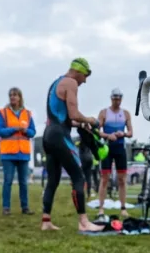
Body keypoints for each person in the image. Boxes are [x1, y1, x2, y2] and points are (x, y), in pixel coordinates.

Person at [41, 58, 104, 232]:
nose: (85, 81)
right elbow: (74, 114)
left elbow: (64, 117)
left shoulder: (56, 83)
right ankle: (83, 222)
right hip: (59, 136)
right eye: (85, 76)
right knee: (79, 177)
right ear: (78, 71)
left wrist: (81, 124)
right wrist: (90, 120)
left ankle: (46, 221)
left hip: (48, 135)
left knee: (53, 180)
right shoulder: (71, 82)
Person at [0, 87, 36, 215]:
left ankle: (25, 207)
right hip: (8, 154)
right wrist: (14, 129)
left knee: (23, 182)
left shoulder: (27, 114)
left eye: (15, 95)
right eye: (11, 95)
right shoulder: (3, 113)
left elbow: (33, 132)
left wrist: (25, 131)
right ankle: (6, 207)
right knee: (8, 181)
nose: (12, 97)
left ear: (20, 97)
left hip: (23, 154)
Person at [97, 88, 134, 219]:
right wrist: (108, 135)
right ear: (111, 98)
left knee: (122, 180)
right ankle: (101, 208)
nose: (117, 101)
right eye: (115, 99)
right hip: (107, 149)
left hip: (120, 148)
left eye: (119, 99)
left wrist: (122, 134)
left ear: (121, 99)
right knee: (104, 179)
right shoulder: (104, 113)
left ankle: (123, 208)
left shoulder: (126, 113)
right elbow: (97, 131)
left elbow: (130, 133)